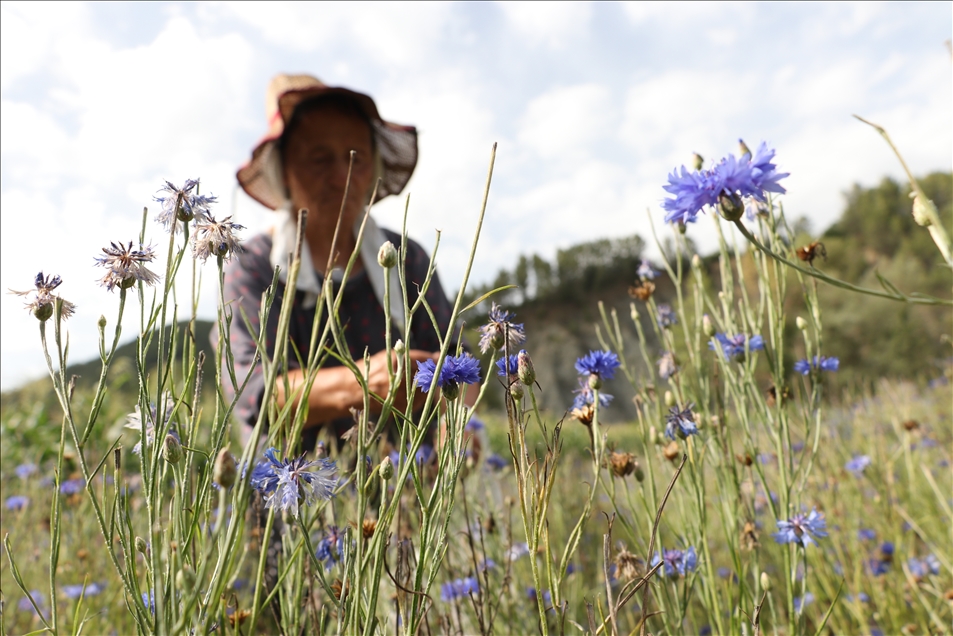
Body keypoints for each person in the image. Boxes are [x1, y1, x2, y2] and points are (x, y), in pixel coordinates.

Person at [226, 73, 466, 452]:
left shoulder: (408, 259)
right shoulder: (255, 267)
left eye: (357, 158)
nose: (342, 176)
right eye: (319, 159)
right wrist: (365, 383)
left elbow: (456, 360)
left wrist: (460, 433)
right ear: (284, 171)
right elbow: (257, 392)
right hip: (295, 496)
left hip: (407, 489)